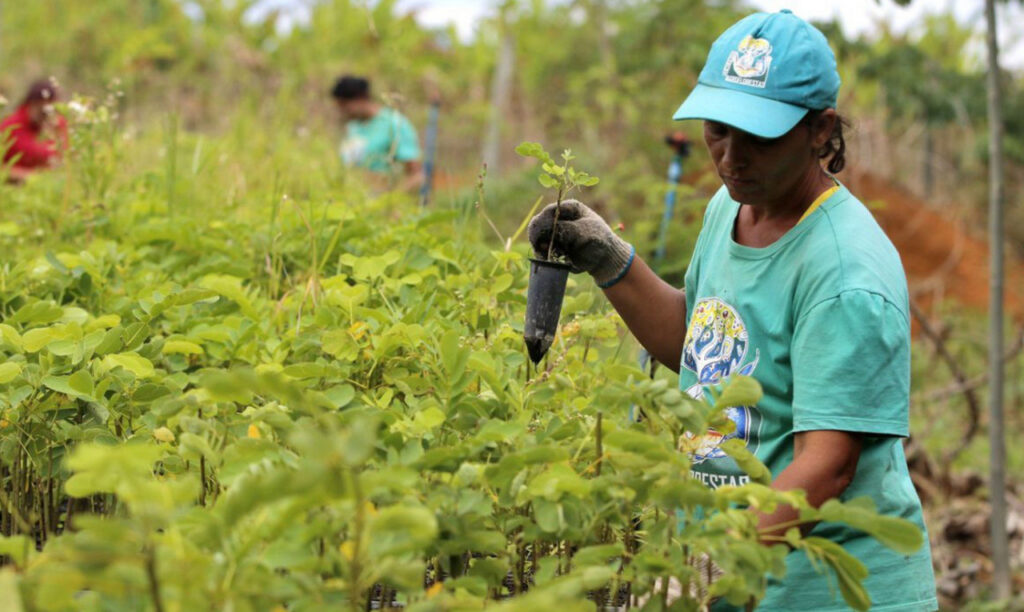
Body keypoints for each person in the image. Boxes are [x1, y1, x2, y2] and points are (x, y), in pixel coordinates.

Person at [528, 10, 937, 611]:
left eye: (758, 138)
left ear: (821, 130)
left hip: (823, 593)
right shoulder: (732, 207)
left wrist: (720, 560)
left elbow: (827, 466)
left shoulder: (845, 272)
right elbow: (699, 344)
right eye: (718, 130)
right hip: (736, 580)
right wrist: (609, 259)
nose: (731, 158)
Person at [330, 75, 424, 193]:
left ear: (360, 99)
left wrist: (390, 198)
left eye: (344, 106)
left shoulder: (395, 124)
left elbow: (417, 176)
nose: (341, 112)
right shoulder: (353, 127)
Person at [1, 78, 67, 183]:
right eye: (42, 111)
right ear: (32, 104)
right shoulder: (10, 127)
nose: (46, 116)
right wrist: (30, 177)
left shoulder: (60, 125)